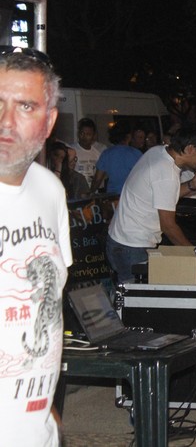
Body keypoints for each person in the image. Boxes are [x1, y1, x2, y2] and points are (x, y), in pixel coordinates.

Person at [0, 47, 72, 446]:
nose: (6, 121)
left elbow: (49, 306)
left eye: (25, 106)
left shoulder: (50, 190)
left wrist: (50, 421)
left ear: (49, 121)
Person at [106, 122, 196, 284]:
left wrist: (192, 185)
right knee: (136, 297)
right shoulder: (166, 172)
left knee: (130, 293)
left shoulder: (158, 151)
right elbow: (168, 227)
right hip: (132, 246)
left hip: (122, 240)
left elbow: (162, 195)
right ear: (190, 149)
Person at [90, 120, 142, 195]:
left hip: (112, 196)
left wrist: (90, 193)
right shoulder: (137, 154)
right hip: (131, 195)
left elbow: (97, 179)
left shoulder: (107, 153)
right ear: (128, 136)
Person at [71, 117, 107, 186]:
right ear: (78, 134)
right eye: (82, 133)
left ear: (93, 136)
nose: (84, 137)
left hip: (92, 190)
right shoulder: (71, 150)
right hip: (76, 190)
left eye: (88, 134)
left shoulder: (97, 153)